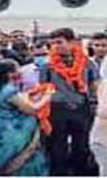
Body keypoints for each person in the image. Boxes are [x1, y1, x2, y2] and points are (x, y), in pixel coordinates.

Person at [40, 28, 100, 176]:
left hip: (81, 108)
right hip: (57, 109)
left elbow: (95, 85)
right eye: (53, 43)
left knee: (82, 146)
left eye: (59, 42)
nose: (56, 46)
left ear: (72, 42)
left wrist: (94, 103)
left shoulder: (88, 63)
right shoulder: (47, 65)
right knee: (57, 147)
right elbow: (42, 88)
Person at [0, 59, 53, 175]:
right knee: (20, 165)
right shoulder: (9, 90)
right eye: (17, 69)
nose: (20, 71)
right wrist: (47, 96)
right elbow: (32, 109)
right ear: (10, 73)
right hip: (14, 133)